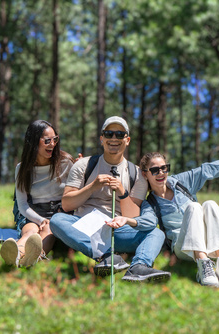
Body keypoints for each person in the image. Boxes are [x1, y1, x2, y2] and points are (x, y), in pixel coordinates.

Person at [50, 116, 171, 283]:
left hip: (118, 230)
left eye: (120, 135)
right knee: (57, 220)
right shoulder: (83, 165)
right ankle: (107, 257)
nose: (114, 138)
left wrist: (122, 192)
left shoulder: (136, 174)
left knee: (156, 233)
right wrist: (92, 186)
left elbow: (134, 216)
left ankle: (138, 267)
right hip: (86, 227)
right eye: (109, 134)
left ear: (127, 140)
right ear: (102, 139)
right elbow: (67, 204)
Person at [136, 150, 219, 287]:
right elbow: (147, 222)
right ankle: (203, 266)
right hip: (183, 248)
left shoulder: (181, 183)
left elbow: (210, 169)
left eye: (164, 168)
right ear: (145, 174)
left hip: (205, 240)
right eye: (155, 170)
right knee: (194, 207)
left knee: (210, 204)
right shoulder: (150, 203)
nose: (161, 173)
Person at [0, 120, 74, 268]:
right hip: (33, 211)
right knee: (30, 231)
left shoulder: (66, 162)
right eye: (47, 140)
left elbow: (74, 192)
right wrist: (40, 220)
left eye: (55, 139)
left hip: (60, 211)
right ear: (34, 142)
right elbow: (22, 204)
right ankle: (15, 255)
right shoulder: (22, 168)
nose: (52, 144)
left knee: (49, 230)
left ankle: (33, 258)